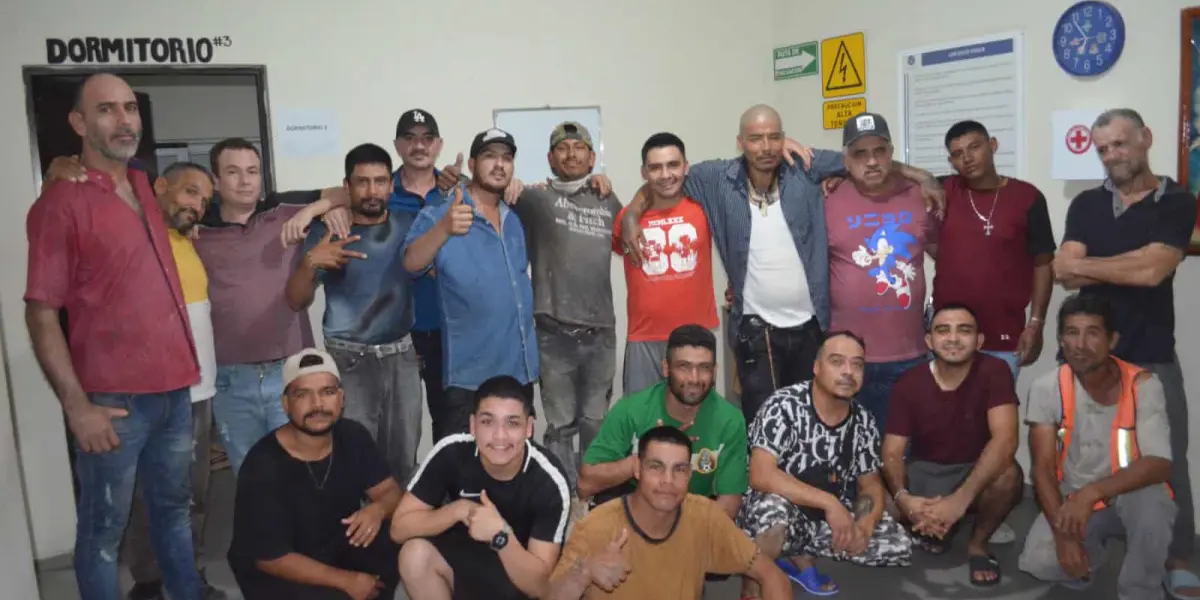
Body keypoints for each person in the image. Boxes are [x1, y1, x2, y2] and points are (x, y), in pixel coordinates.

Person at [617, 105, 942, 424]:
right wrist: (632, 213)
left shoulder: (804, 166)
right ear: (740, 142)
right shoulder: (715, 178)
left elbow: (865, 159)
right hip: (757, 329)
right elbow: (663, 178)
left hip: (813, 325)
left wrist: (920, 176)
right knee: (765, 424)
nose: (766, 146)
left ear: (784, 138)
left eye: (774, 137)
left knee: (811, 421)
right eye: (756, 138)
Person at [24, 73, 204, 600]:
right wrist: (76, 406)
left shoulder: (145, 187)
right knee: (102, 534)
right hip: (113, 403)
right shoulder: (60, 202)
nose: (124, 120)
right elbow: (40, 313)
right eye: (107, 110)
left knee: (174, 515)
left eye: (130, 108)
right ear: (79, 123)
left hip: (175, 390)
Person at [1051, 108, 1200, 599]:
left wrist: (1097, 264)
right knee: (1078, 453)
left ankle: (1179, 557)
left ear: (1146, 138)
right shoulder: (1088, 204)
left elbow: (1154, 272)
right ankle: (1083, 537)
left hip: (1151, 355)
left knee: (1167, 458)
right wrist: (1131, 261)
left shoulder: (1177, 200)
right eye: (1103, 149)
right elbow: (1064, 272)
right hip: (1086, 356)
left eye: (1120, 143)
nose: (1113, 155)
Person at [1019, 293, 1176, 600]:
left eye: (1092, 333)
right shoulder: (1047, 387)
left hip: (1128, 492)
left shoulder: (1143, 385)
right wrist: (1064, 539)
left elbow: (1159, 463)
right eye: (1072, 333)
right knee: (1039, 563)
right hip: (1072, 494)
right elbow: (1042, 469)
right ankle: (1091, 553)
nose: (1080, 344)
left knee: (1155, 507)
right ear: (1061, 339)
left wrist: (1093, 493)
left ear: (1112, 340)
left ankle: (1141, 590)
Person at [117, 162, 225, 600]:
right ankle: (148, 581)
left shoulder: (186, 241)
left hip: (199, 391)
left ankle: (189, 575)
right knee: (153, 494)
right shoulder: (133, 234)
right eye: (189, 192)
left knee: (193, 495)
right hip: (155, 393)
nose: (197, 204)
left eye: (203, 198)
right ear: (158, 187)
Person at [286, 143, 422, 484]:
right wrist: (310, 262)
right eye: (362, 182)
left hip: (401, 356)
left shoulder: (411, 224)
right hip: (349, 361)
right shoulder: (328, 231)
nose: (372, 191)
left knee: (404, 460)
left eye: (379, 181)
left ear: (392, 185)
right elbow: (296, 300)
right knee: (353, 463)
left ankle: (397, 535)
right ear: (347, 187)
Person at [737, 332, 911, 598]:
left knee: (897, 544)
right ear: (817, 368)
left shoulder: (863, 421)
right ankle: (752, 584)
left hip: (824, 521)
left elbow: (870, 483)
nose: (848, 372)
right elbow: (761, 475)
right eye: (837, 362)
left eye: (857, 364)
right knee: (773, 520)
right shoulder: (784, 405)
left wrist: (864, 527)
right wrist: (831, 504)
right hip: (776, 510)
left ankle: (797, 554)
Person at [227, 348, 403, 600]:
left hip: (333, 546)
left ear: (341, 399)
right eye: (303, 395)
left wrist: (378, 509)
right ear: (285, 404)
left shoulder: (352, 436)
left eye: (327, 392)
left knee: (398, 535)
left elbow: (390, 493)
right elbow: (271, 559)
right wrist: (347, 580)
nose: (317, 405)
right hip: (278, 568)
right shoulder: (262, 466)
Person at [545, 426, 792, 600]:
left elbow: (772, 576)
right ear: (638, 470)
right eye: (656, 467)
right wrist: (584, 572)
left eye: (679, 470)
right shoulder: (596, 527)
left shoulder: (704, 516)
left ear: (689, 476)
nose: (668, 481)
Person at [403, 128, 539, 438]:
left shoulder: (514, 217)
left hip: (519, 374)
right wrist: (445, 229)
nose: (499, 165)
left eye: (506, 158)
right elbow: (410, 263)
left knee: (513, 470)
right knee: (462, 474)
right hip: (469, 379)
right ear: (474, 163)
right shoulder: (441, 214)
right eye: (490, 157)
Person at [511, 121, 622, 497]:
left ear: (592, 157)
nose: (571, 154)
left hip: (600, 333)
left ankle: (589, 497)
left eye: (579, 148)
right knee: (559, 426)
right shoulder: (536, 199)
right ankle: (560, 496)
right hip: (553, 334)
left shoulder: (608, 199)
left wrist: (611, 185)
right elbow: (479, 185)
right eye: (563, 148)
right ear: (550, 157)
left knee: (595, 422)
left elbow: (637, 221)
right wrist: (511, 185)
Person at [392, 375, 570, 600]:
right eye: (488, 422)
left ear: (529, 428)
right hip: (462, 556)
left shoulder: (549, 480)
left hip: (516, 573)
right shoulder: (452, 450)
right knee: (413, 555)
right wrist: (458, 510)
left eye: (512, 423)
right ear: (473, 425)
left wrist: (500, 535)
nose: (499, 436)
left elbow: (539, 587)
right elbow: (399, 529)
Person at [882, 303, 1022, 586]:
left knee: (1008, 475)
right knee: (874, 497)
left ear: (979, 341)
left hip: (974, 470)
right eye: (943, 330)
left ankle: (978, 544)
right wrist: (904, 499)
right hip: (927, 472)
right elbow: (892, 451)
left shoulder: (995, 371)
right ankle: (930, 525)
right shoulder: (910, 382)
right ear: (929, 341)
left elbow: (1006, 440)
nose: (954, 338)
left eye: (964, 330)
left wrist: (959, 501)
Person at [825, 112, 938, 432]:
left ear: (892, 154)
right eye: (861, 153)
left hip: (909, 353)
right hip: (845, 356)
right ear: (845, 160)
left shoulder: (922, 196)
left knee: (903, 449)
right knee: (847, 451)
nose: (871, 161)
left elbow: (946, 256)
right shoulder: (827, 197)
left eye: (879, 151)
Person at [578, 324, 747, 520]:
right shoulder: (631, 410)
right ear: (666, 368)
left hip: (694, 520)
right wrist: (645, 457)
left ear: (715, 371)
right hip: (636, 515)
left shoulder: (730, 420)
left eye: (704, 368)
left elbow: (728, 506)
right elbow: (584, 485)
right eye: (683, 367)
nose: (694, 378)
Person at [932, 120, 1056, 380]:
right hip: (949, 338)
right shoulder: (944, 191)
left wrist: (1036, 323)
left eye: (974, 147)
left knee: (998, 417)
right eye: (957, 154)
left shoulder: (1028, 197)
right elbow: (891, 176)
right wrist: (922, 178)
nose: (967, 158)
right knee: (947, 417)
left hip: (1003, 337)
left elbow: (1043, 263)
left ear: (993, 145)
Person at [612, 133, 718, 395]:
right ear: (644, 173)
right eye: (655, 167)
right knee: (642, 422)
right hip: (644, 338)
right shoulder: (627, 218)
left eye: (672, 164)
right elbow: (617, 246)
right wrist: (631, 214)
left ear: (686, 167)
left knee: (695, 421)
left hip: (695, 339)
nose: (665, 174)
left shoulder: (704, 210)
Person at [389, 109, 454, 438]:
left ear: (439, 144)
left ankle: (449, 491)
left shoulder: (456, 193)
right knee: (399, 429)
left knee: (450, 424)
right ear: (398, 145)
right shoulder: (379, 193)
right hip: (394, 331)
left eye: (427, 138)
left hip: (448, 330)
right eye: (410, 138)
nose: (419, 145)